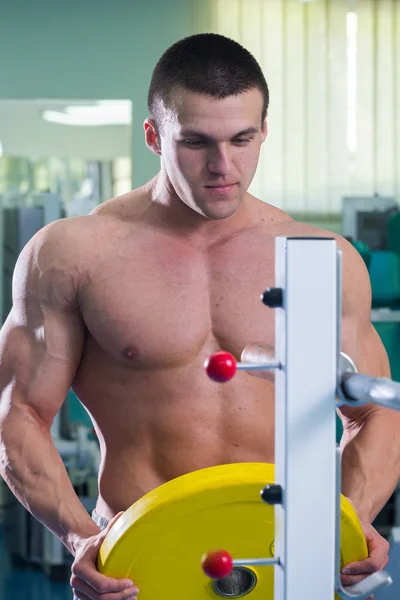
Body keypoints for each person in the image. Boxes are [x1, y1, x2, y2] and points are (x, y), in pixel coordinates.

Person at [0, 33, 398, 600]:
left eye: (242, 139)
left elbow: (374, 414)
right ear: (153, 135)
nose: (222, 166)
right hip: (138, 566)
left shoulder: (321, 257)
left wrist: (348, 520)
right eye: (195, 143)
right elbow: (18, 413)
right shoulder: (73, 253)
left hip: (286, 561)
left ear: (265, 132)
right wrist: (79, 536)